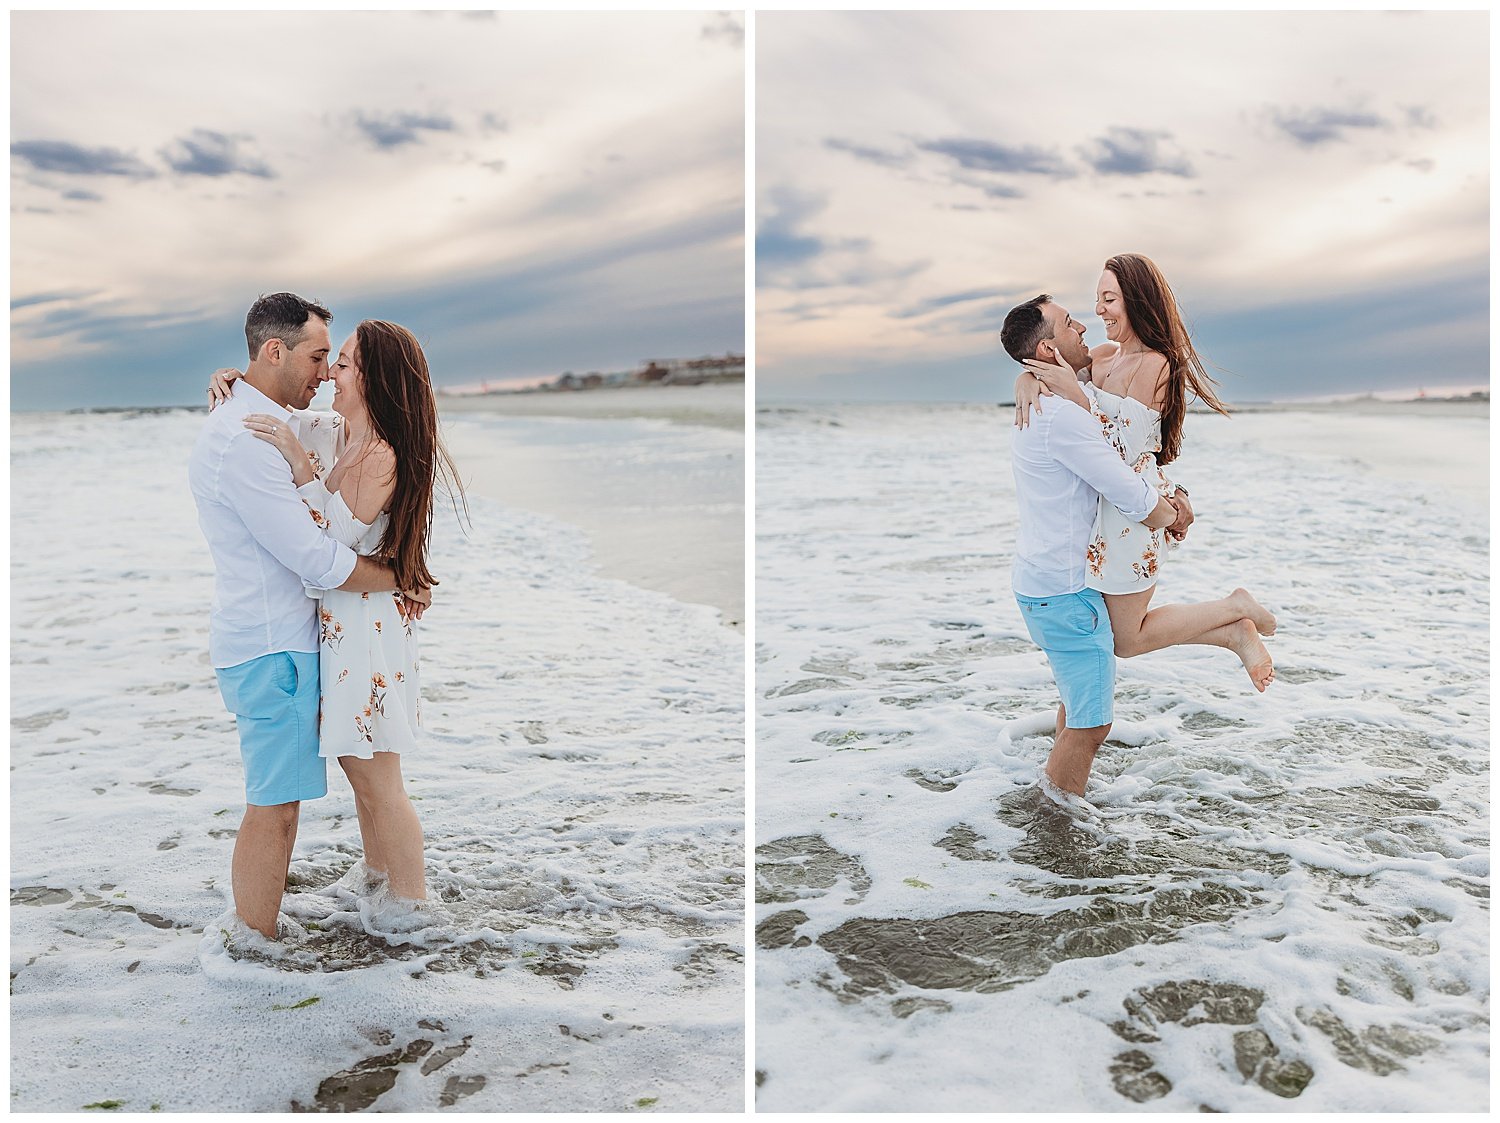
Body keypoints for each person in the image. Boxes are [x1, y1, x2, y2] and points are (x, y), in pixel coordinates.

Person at [189, 293, 427, 940]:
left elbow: (331, 540)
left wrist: (398, 576)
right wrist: (234, 379)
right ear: (274, 351)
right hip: (308, 634)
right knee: (328, 787)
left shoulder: (361, 447)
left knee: (372, 776)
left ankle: (407, 908)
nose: (328, 373)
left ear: (371, 380)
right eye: (326, 358)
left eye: (340, 362)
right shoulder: (313, 431)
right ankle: (272, 937)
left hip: (353, 631)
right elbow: (316, 554)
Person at [1011, 254, 1275, 692]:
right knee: (1121, 637)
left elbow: (1119, 453)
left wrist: (1078, 396)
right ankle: (1232, 631)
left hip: (1134, 514)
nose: (1099, 310)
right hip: (1107, 514)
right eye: (1097, 299)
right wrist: (1025, 379)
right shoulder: (1101, 357)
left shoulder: (1157, 365)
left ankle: (1233, 609)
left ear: (1136, 301)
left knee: (1126, 640)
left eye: (1109, 299)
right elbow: (1046, 366)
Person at [1000, 294, 1189, 797]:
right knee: (1090, 727)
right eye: (1068, 322)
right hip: (1066, 596)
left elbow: (1122, 451)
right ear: (1046, 350)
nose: (1084, 322)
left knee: (1074, 710)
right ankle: (1053, 834)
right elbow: (1129, 493)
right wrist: (1174, 514)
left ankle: (1046, 812)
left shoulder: (1048, 401)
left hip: (1043, 585)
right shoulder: (1061, 416)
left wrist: (1029, 375)